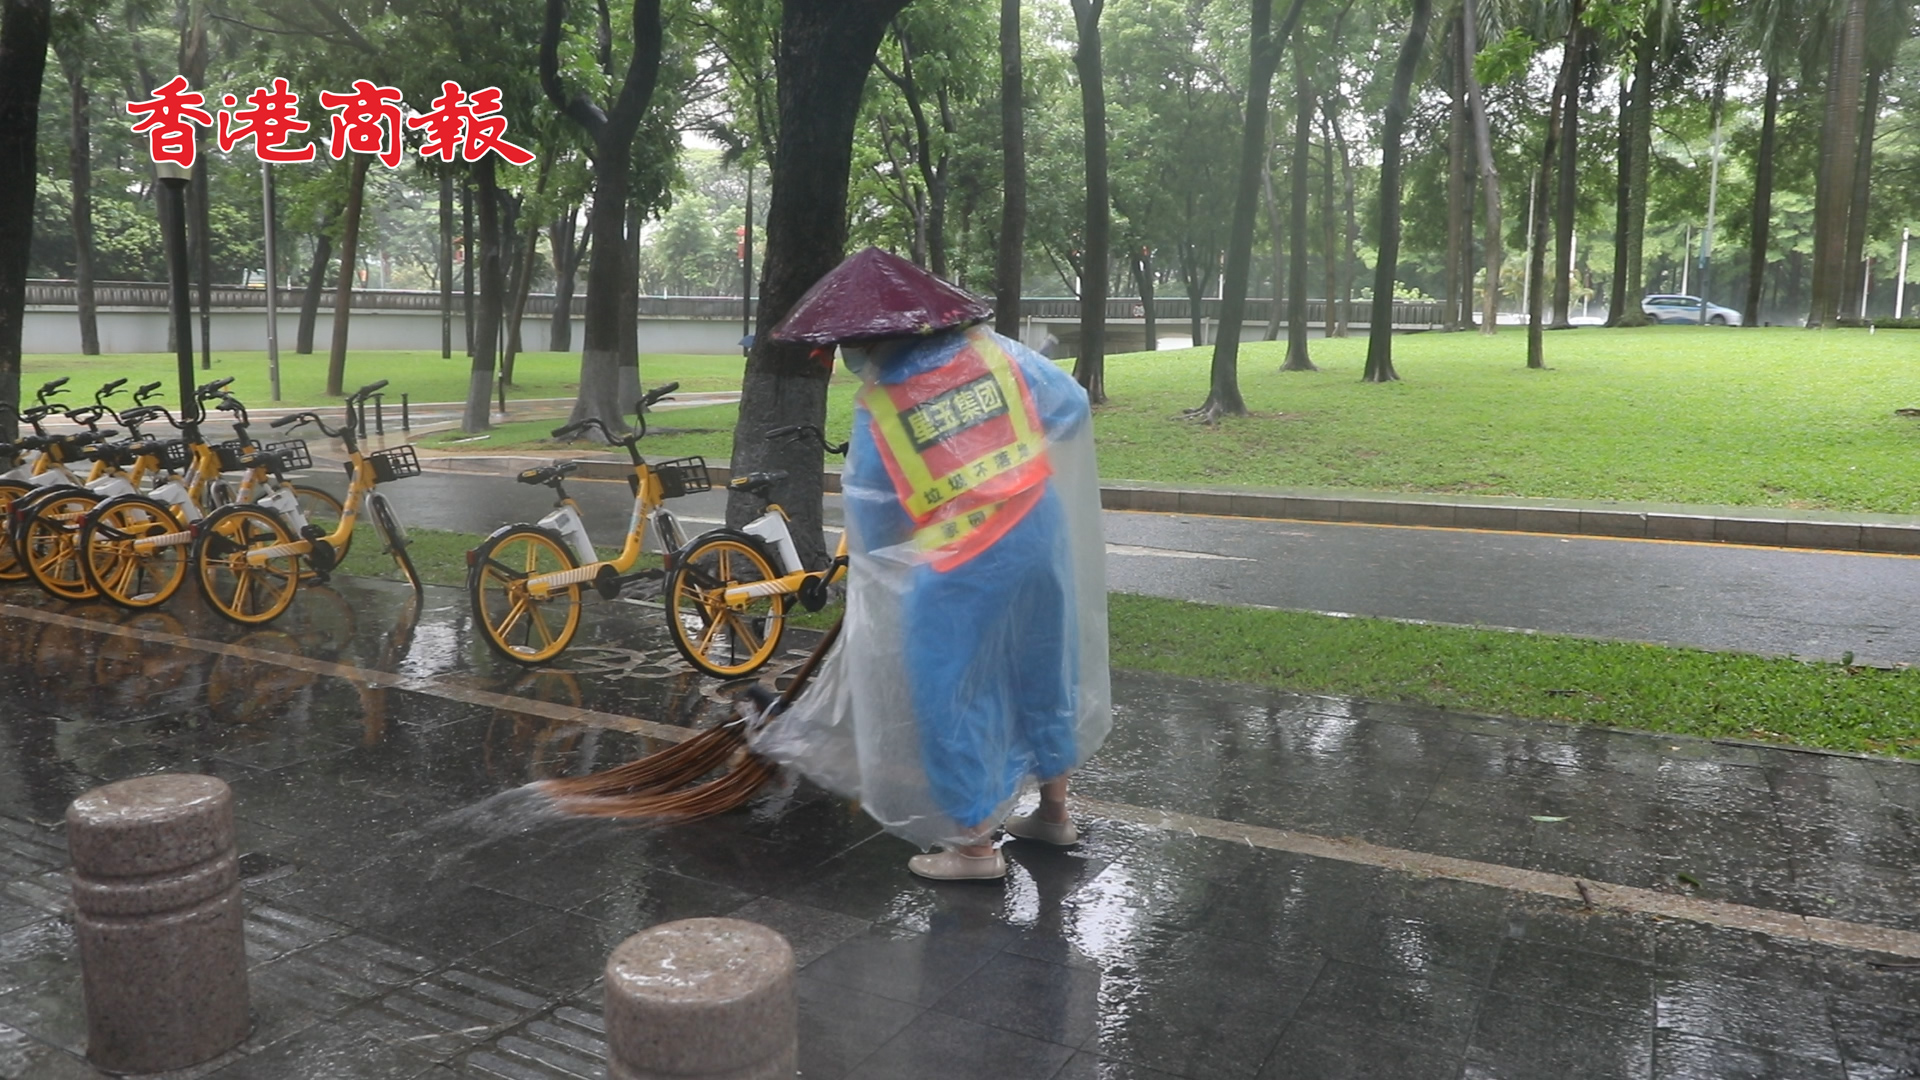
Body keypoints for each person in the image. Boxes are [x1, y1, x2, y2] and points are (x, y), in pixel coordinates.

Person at [751, 247, 1111, 881]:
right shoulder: (998, 356)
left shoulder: (887, 402)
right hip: (1035, 534)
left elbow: (876, 515)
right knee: (1040, 662)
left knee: (953, 692)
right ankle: (1054, 813)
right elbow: (1070, 405)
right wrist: (1007, 461)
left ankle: (974, 847)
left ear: (869, 339)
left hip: (958, 564)